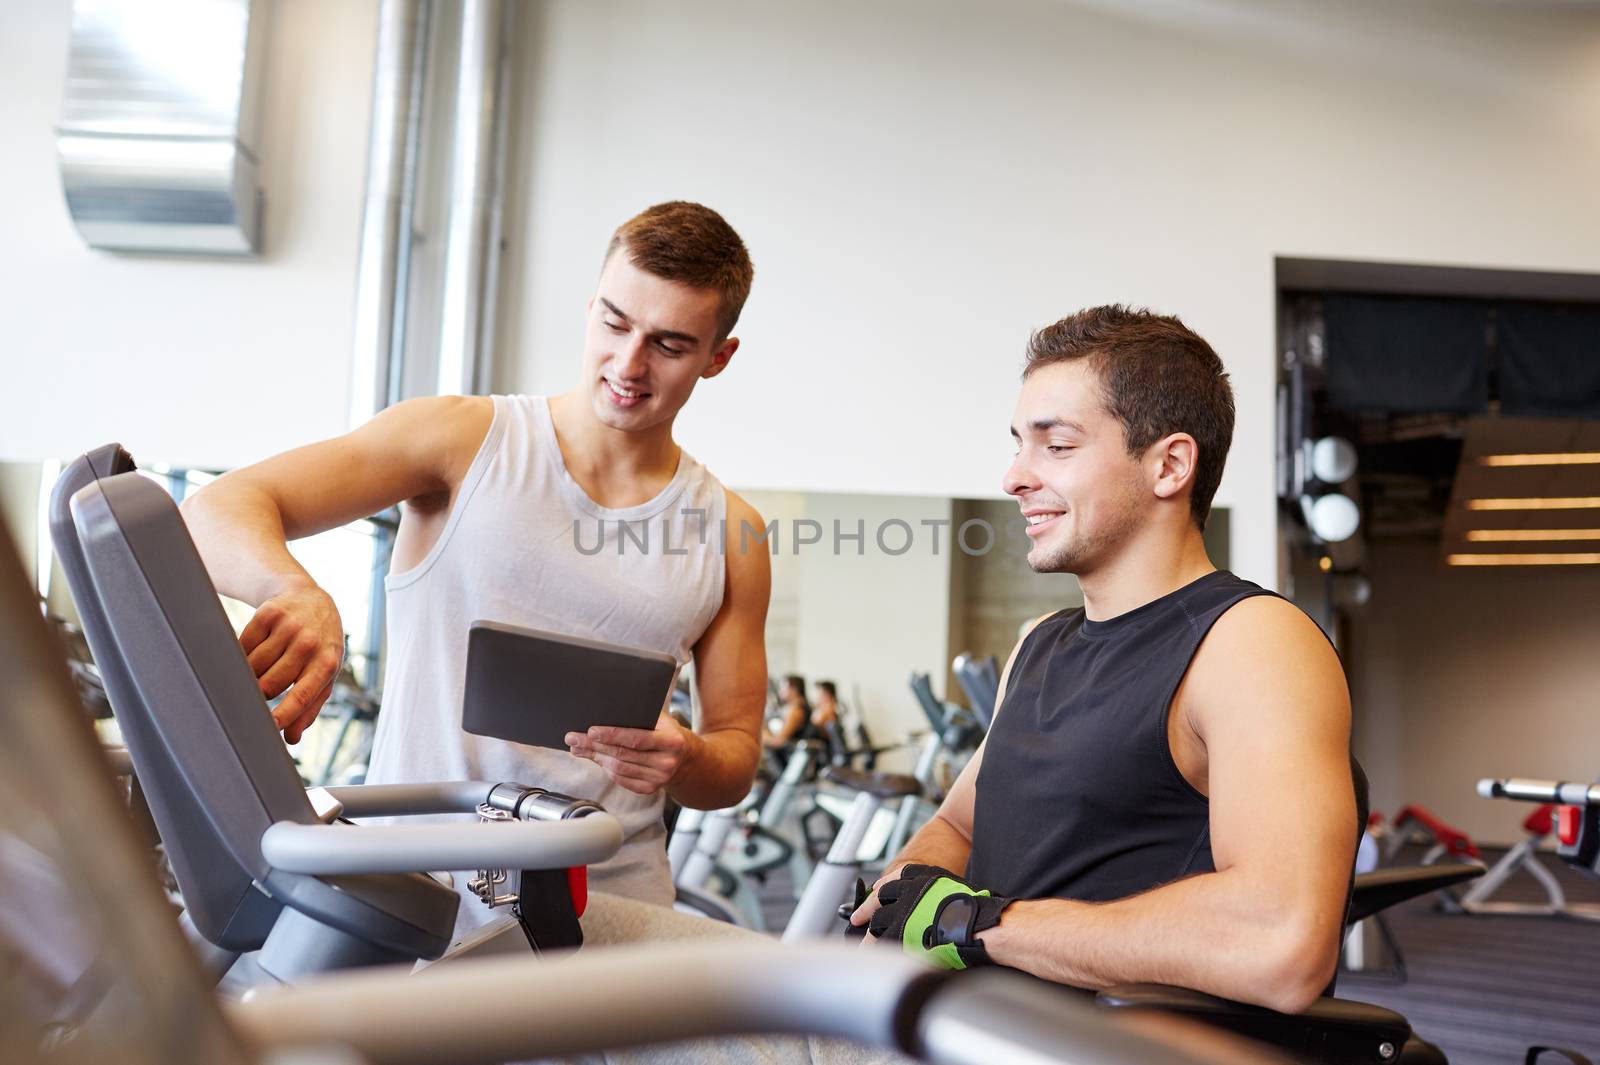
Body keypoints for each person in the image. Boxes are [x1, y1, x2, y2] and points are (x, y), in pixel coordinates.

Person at [180, 201, 771, 916]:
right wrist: (293, 588)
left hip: (609, 899)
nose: (628, 362)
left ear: (718, 357)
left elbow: (735, 757)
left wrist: (690, 759)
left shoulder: (730, 529)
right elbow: (216, 507)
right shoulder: (463, 438)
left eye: (670, 345)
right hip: (421, 880)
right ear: (592, 307)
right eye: (614, 323)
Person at [851, 305, 1358, 1015]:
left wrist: (978, 925)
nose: (1014, 477)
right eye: (1019, 445)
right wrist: (909, 894)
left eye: (1055, 446)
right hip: (968, 1024)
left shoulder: (1251, 642)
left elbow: (1280, 940)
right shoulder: (1039, 642)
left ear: (1170, 464)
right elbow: (960, 826)